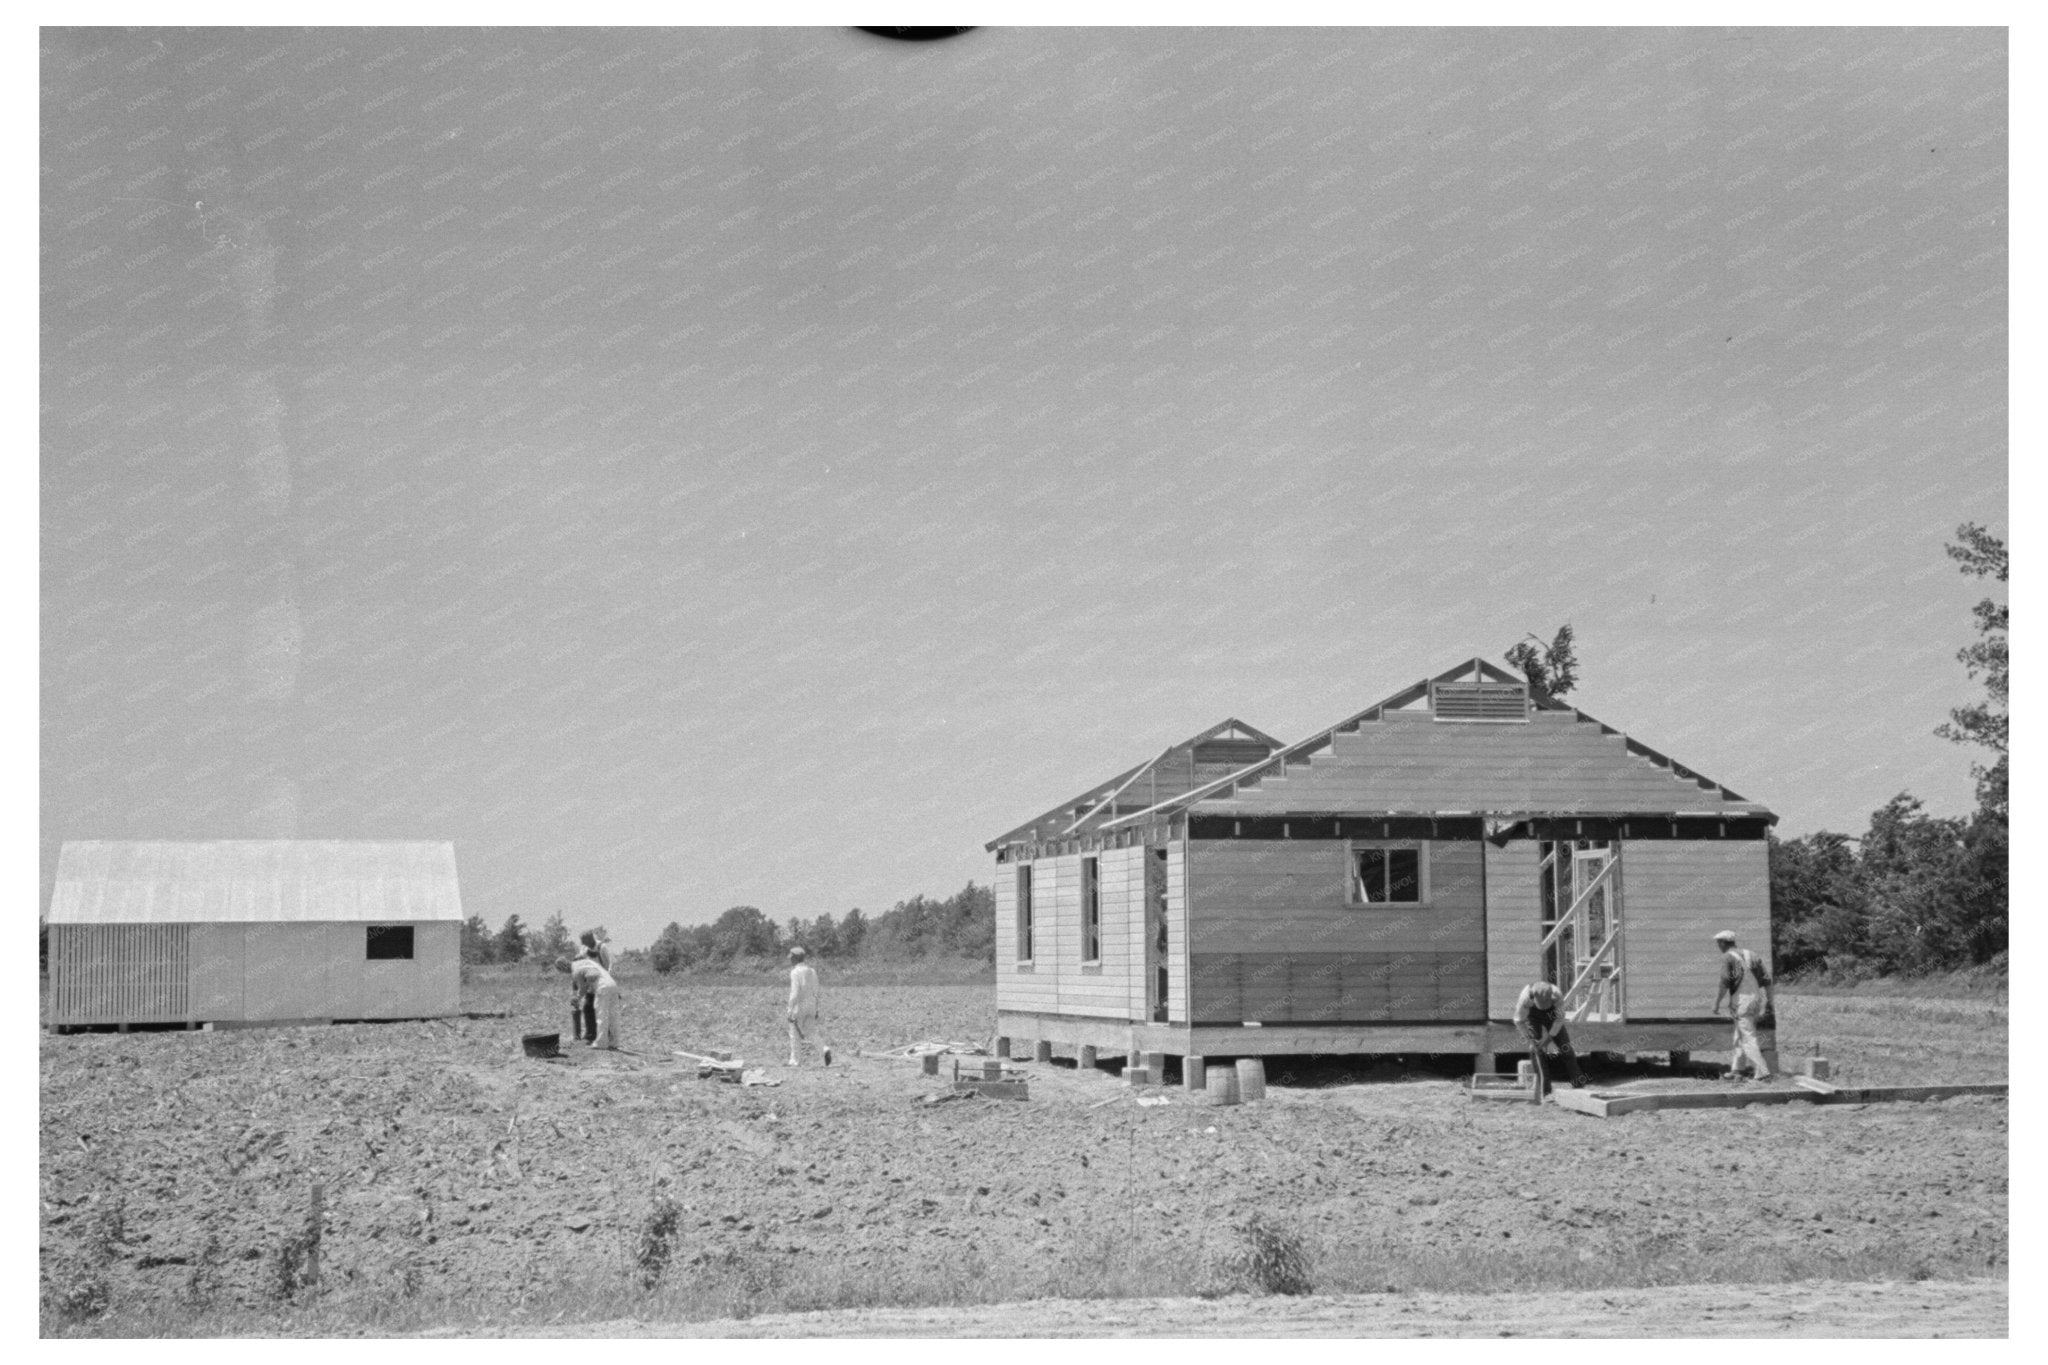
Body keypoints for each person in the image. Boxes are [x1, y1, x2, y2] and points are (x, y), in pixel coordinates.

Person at [1713, 930, 1774, 1081]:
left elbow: (1724, 984)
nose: (1717, 946)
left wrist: (1716, 1004)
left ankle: (1763, 1073)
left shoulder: (1728, 957)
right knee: (1739, 1035)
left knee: (1747, 1036)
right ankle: (1737, 1070)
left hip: (1742, 1002)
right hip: (1755, 1000)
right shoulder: (1752, 955)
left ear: (1722, 943)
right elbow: (1767, 981)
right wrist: (1769, 1002)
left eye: (1718, 943)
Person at [1513, 979, 1585, 1094]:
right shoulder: (1525, 997)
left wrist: (1548, 1038)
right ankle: (1545, 1090)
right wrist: (1531, 1040)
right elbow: (1519, 1021)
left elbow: (1559, 1019)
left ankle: (1579, 1086)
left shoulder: (1557, 994)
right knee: (1536, 1051)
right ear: (1534, 999)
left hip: (1553, 1017)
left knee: (1566, 1049)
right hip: (1533, 1017)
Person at [571, 950, 622, 1051]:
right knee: (609, 1016)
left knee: (601, 1016)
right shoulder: (586, 968)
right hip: (606, 989)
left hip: (600, 990)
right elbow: (576, 987)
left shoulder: (587, 967)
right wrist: (576, 998)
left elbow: (584, 988)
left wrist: (578, 997)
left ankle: (601, 1041)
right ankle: (609, 1041)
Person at [786, 946, 826, 1067]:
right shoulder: (812, 971)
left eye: (791, 957)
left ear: (795, 958)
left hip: (799, 1006)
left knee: (794, 1033)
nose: (790, 959)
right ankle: (825, 1053)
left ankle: (795, 1060)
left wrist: (790, 1008)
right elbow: (817, 991)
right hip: (811, 1005)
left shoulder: (795, 972)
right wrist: (816, 1008)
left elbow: (795, 992)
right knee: (812, 1032)